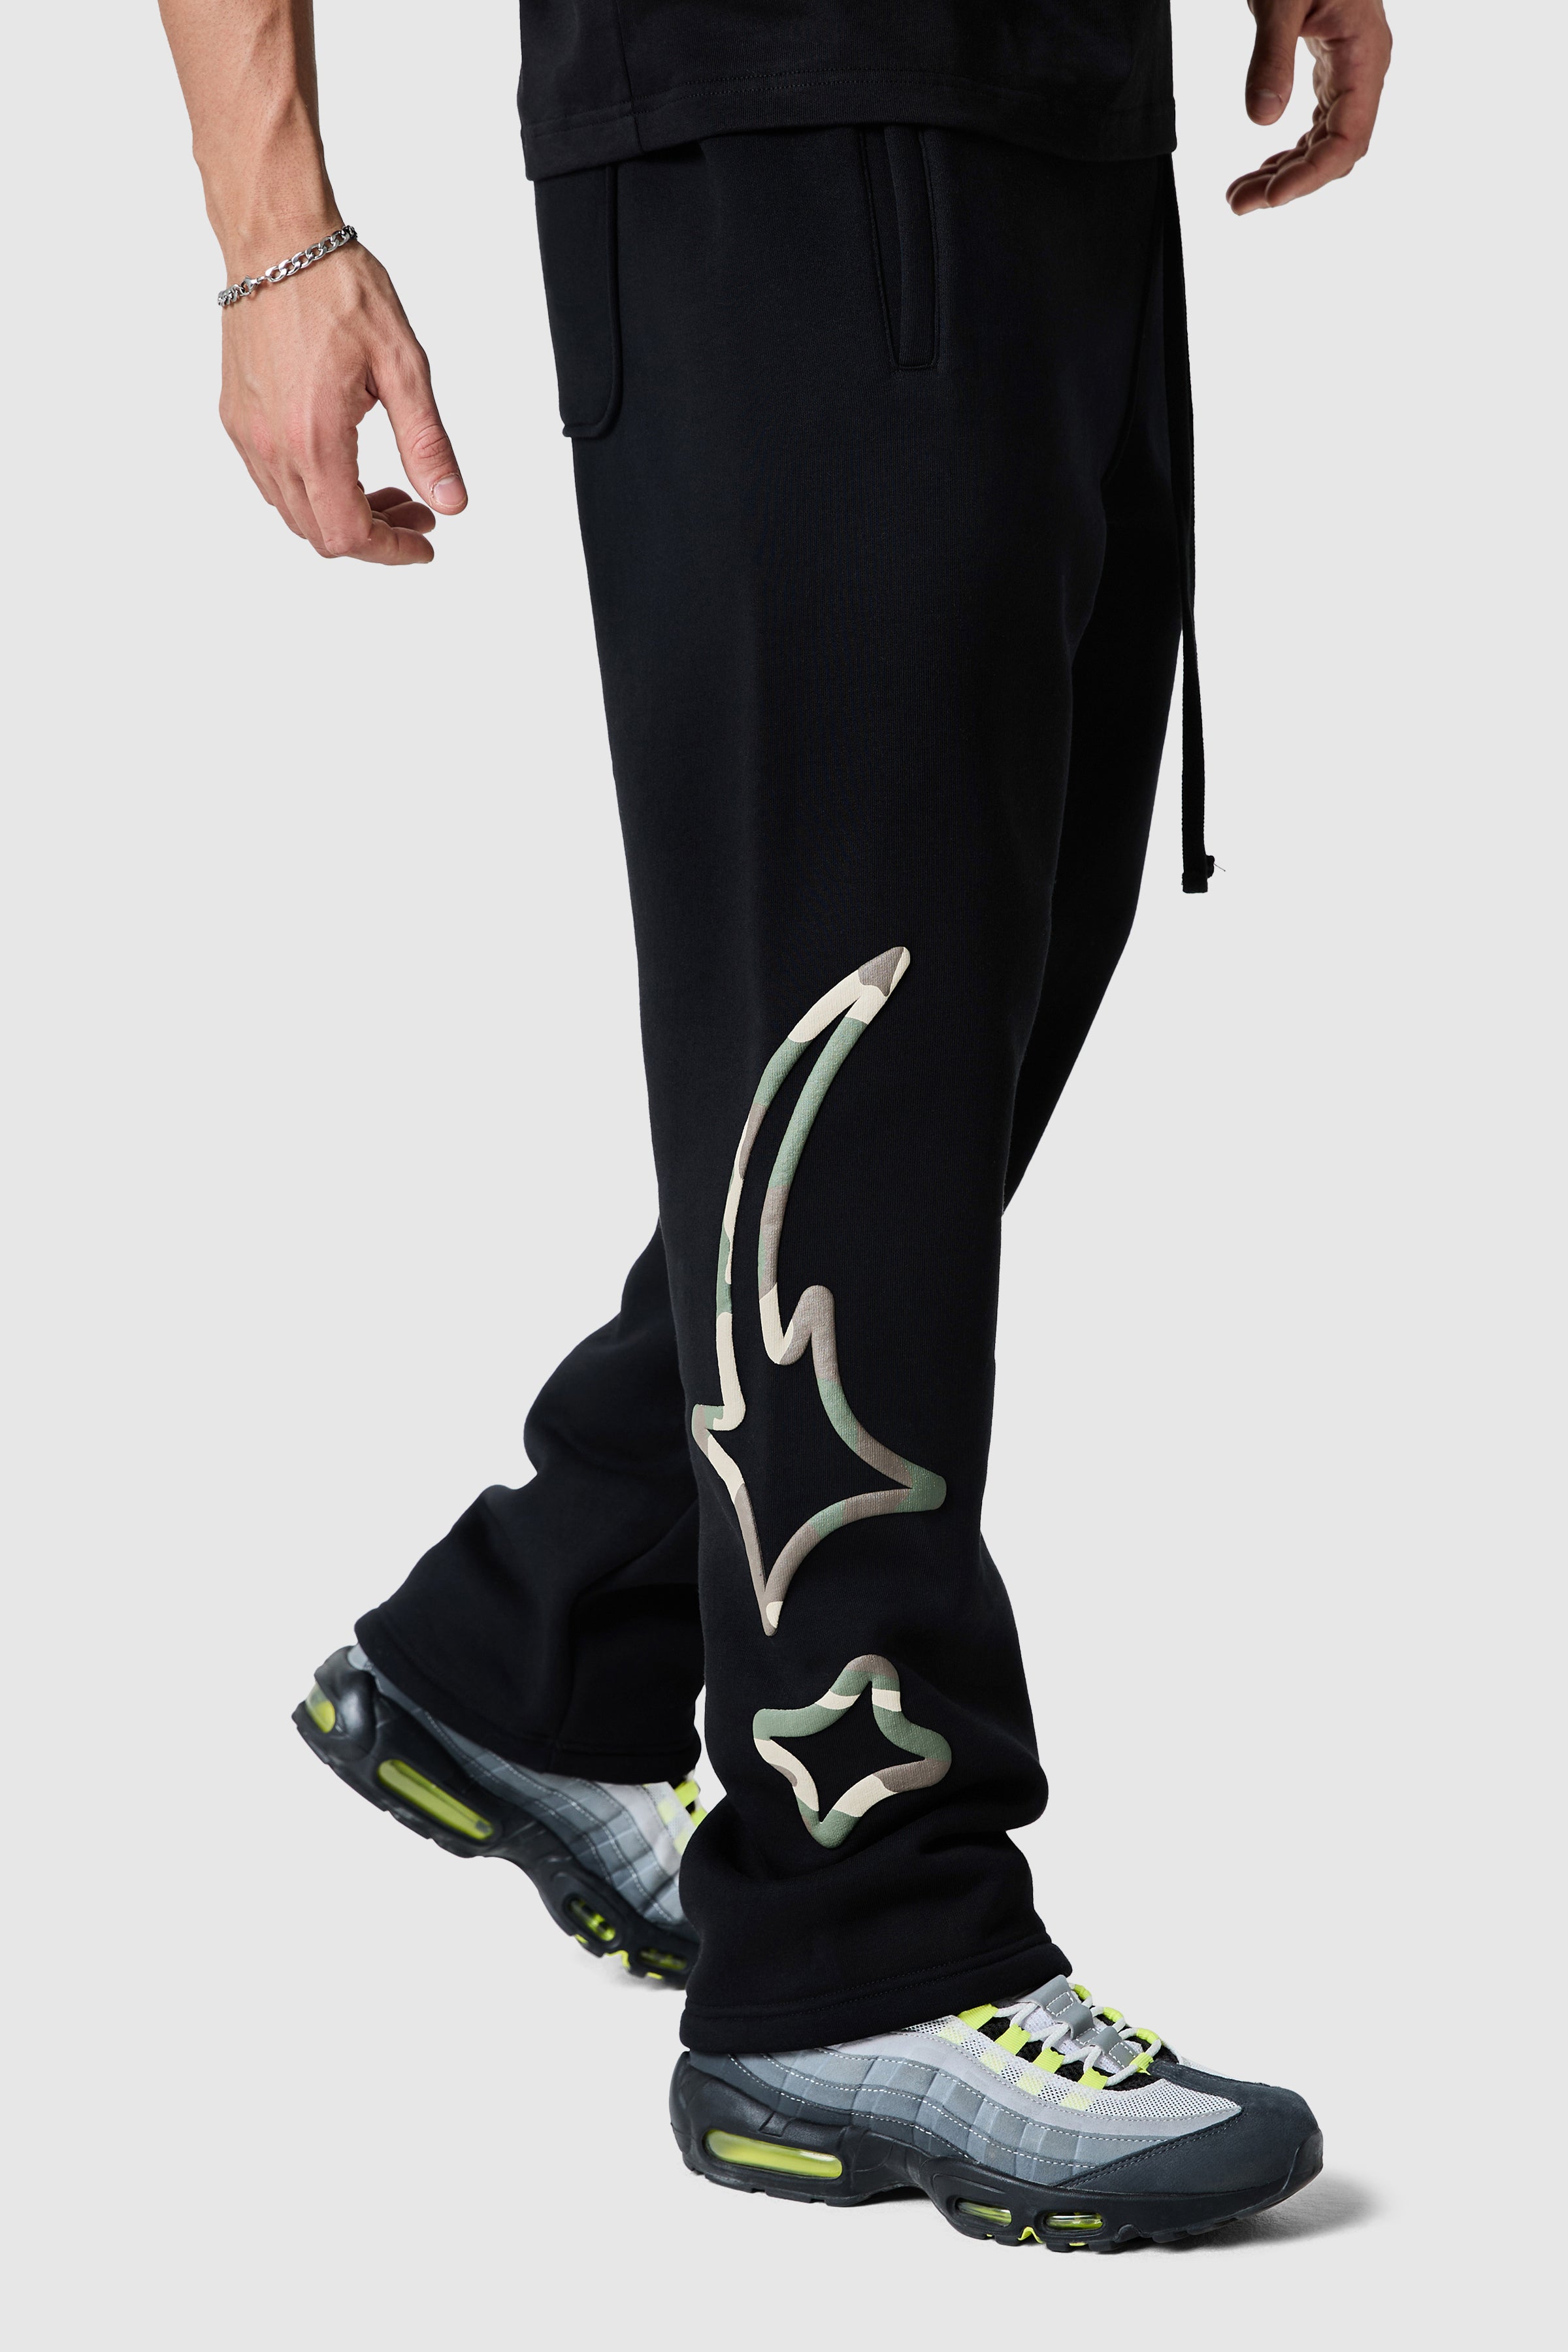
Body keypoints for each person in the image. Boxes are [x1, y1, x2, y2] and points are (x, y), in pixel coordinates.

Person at [161, 0, 1392, 2249]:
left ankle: (552, 1638)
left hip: (1047, 110)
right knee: (860, 1007)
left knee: (965, 1002)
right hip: (779, 122)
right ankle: (859, 1940)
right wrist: (275, 235)